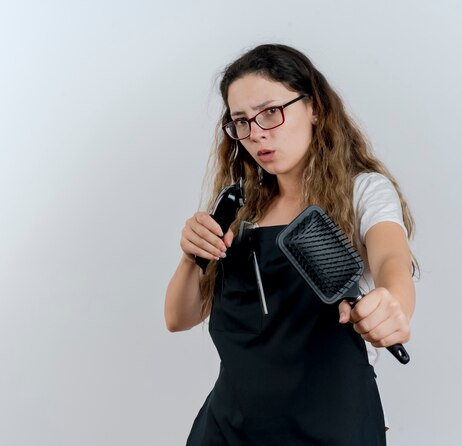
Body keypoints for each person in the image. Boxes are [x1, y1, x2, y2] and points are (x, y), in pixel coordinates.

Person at [165, 43, 416, 445]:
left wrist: (393, 305)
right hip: (229, 430)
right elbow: (178, 317)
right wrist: (191, 254)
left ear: (314, 107)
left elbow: (392, 262)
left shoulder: (364, 192)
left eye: (270, 112)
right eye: (241, 121)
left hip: (331, 428)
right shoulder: (240, 208)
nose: (257, 133)